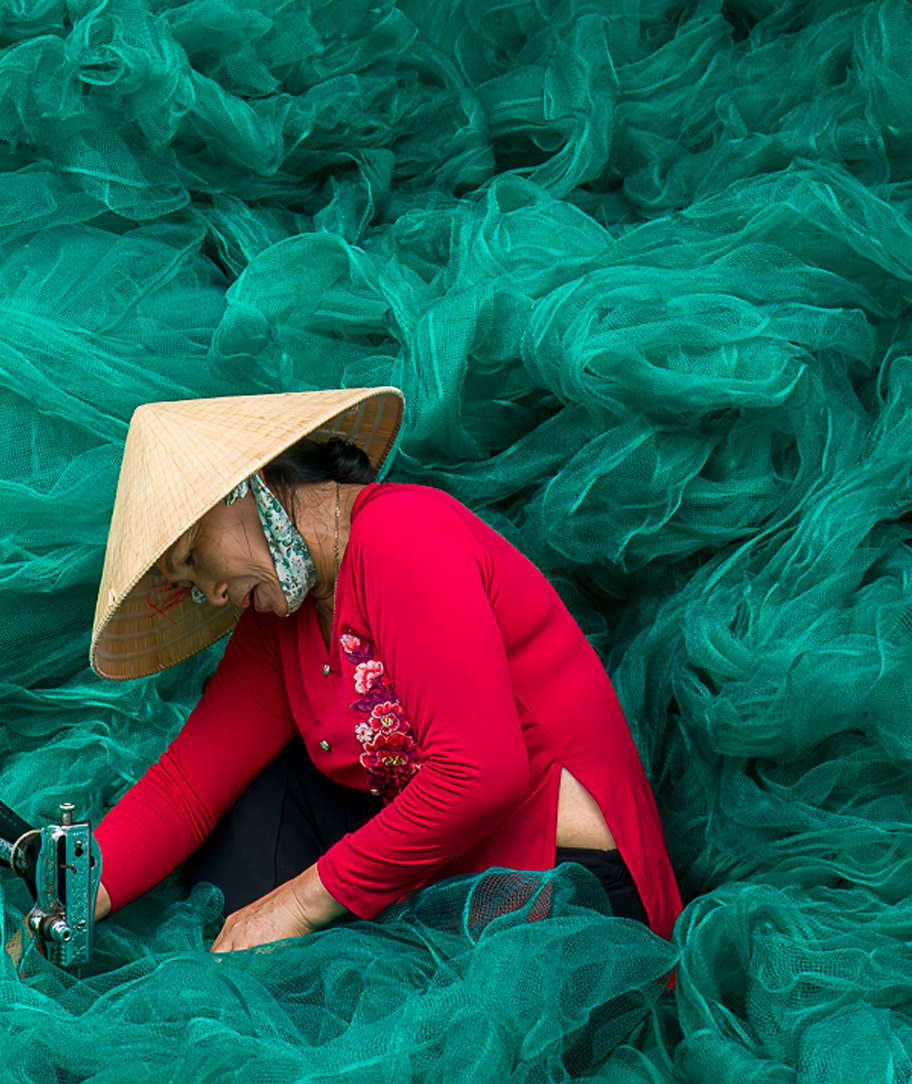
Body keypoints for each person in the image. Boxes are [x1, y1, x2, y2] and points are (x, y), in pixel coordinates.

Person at [87, 388, 682, 952]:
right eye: (190, 587)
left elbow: (480, 774)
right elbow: (186, 787)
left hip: (562, 892)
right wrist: (64, 901)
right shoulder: (276, 619)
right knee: (253, 804)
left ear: (247, 488)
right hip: (450, 872)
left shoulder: (401, 536)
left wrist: (294, 904)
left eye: (195, 559)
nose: (211, 594)